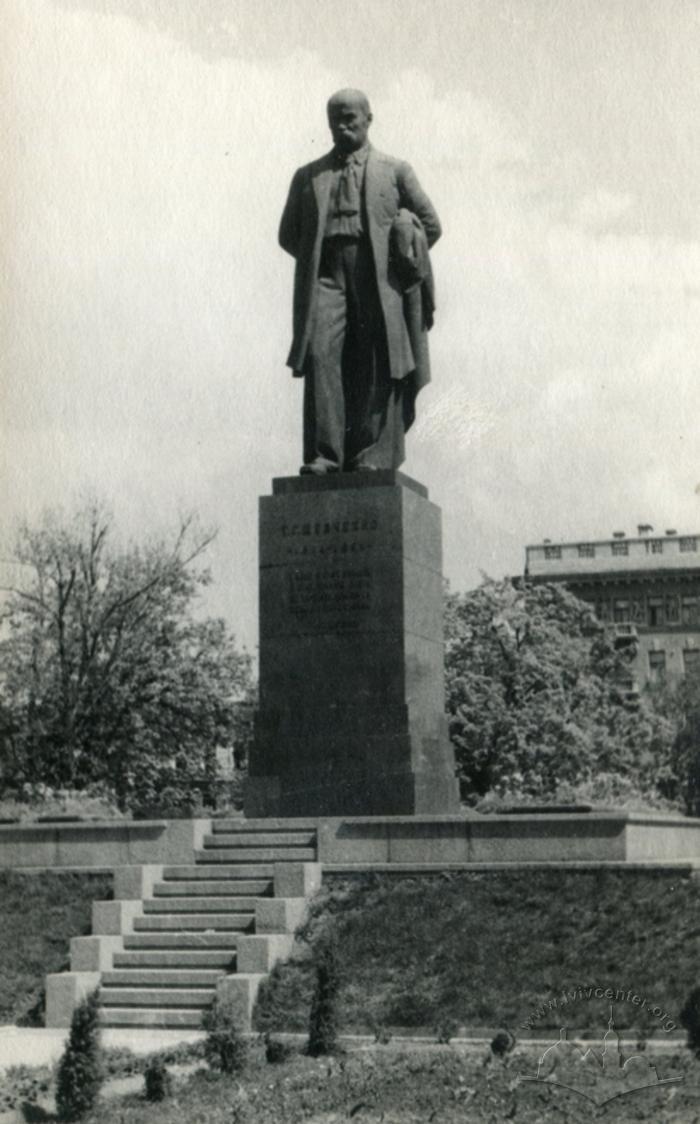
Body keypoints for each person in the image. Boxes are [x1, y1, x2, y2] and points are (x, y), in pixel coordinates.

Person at [279, 88, 442, 475]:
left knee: (374, 359)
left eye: (350, 118)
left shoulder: (396, 170)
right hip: (326, 275)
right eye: (335, 119)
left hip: (376, 276)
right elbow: (288, 235)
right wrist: (319, 257)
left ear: (369, 119)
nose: (342, 125)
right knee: (320, 355)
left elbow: (431, 224)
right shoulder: (308, 176)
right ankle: (325, 454)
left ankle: (370, 453)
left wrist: (406, 238)